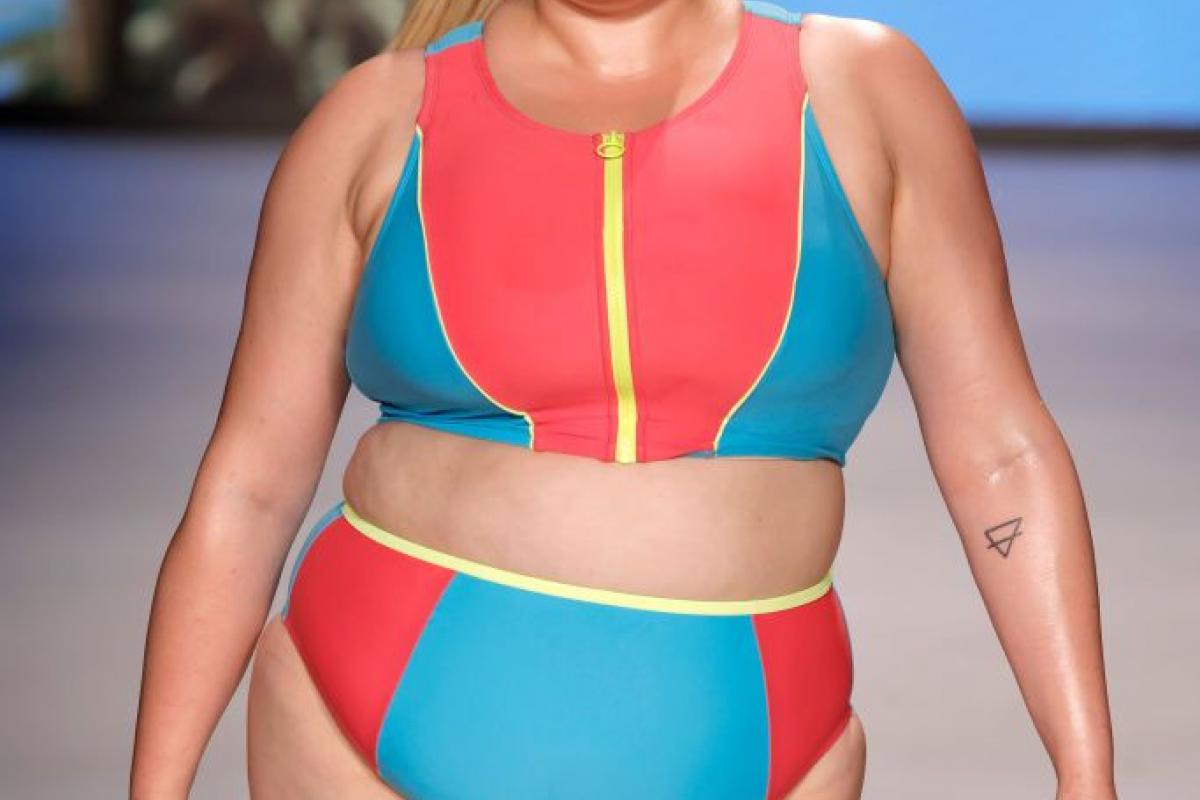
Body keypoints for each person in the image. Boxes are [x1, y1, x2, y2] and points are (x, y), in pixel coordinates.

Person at [129, 0, 1118, 798]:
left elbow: (1000, 453)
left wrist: (1086, 772)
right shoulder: (376, 118)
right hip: (363, 721)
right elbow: (249, 488)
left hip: (762, 742)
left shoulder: (863, 90)